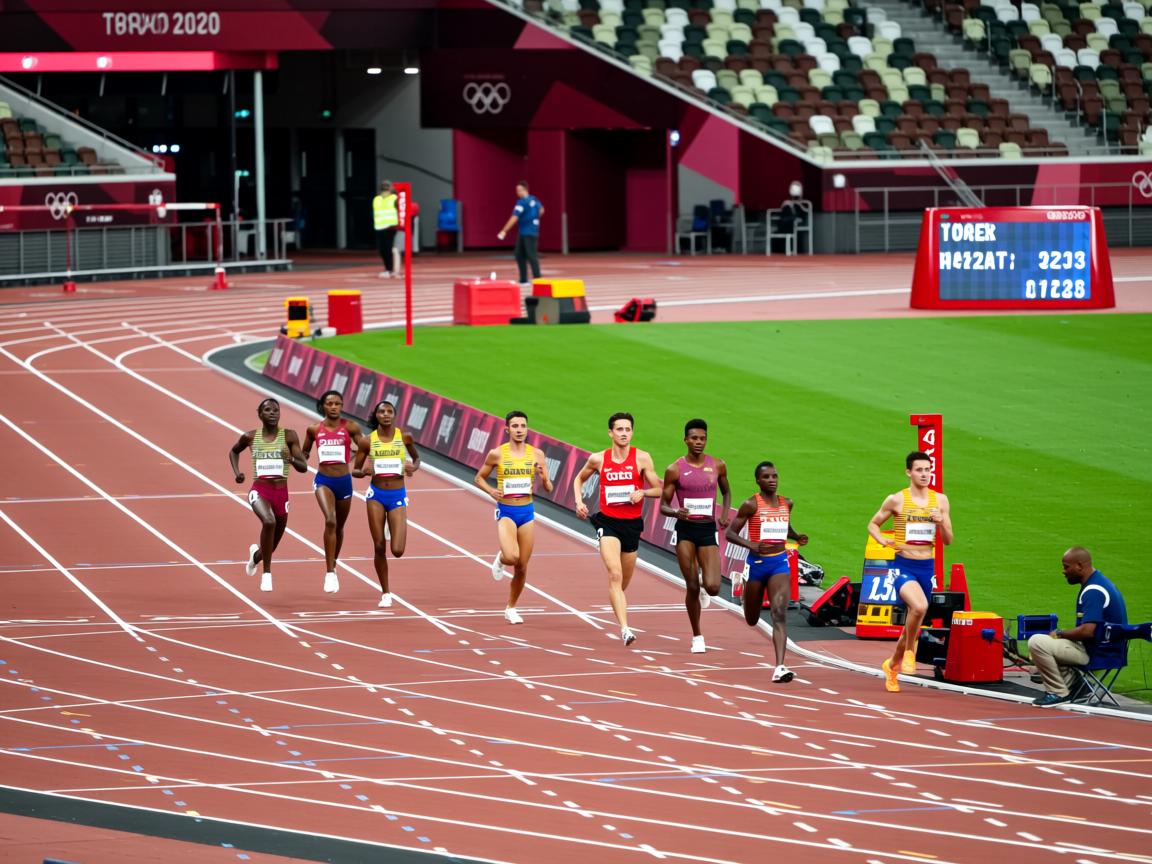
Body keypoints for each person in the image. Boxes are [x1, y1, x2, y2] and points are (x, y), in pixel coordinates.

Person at [572, 412, 662, 646]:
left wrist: (643, 492)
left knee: (621, 584)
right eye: (619, 429)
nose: (624, 433)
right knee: (615, 573)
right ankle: (625, 629)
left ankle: (616, 598)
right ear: (610, 433)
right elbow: (578, 479)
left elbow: (658, 489)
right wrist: (579, 502)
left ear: (632, 432)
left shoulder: (642, 458)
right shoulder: (598, 459)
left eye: (627, 429)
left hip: (632, 525)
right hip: (607, 522)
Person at [867, 451, 954, 693]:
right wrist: (882, 540)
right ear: (909, 472)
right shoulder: (896, 499)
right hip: (902, 566)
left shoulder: (941, 501)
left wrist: (941, 522)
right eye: (919, 470)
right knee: (919, 607)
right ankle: (909, 652)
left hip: (926, 567)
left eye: (928, 470)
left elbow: (948, 540)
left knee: (912, 623)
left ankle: (891, 666)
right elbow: (873, 524)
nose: (925, 474)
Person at [725, 462, 808, 682]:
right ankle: (744, 592)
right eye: (767, 477)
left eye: (774, 476)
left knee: (779, 613)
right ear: (758, 481)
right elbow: (730, 533)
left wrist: (796, 536)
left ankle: (780, 667)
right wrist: (749, 544)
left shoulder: (786, 503)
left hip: (779, 563)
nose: (772, 480)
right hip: (757, 565)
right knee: (752, 619)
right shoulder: (750, 504)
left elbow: (784, 526)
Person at [474, 411, 554, 625]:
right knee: (511, 557)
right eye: (515, 426)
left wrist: (544, 478)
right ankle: (501, 558)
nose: (519, 430)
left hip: (527, 512)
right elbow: (479, 478)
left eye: (523, 426)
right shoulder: (497, 454)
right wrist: (491, 491)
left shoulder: (537, 454)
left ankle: (511, 607)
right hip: (507, 511)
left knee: (522, 566)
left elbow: (549, 488)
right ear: (507, 429)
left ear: (527, 429)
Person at [659, 419, 731, 654]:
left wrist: (724, 514)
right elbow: (663, 505)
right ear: (686, 440)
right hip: (685, 531)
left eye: (702, 438)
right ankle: (697, 636)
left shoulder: (718, 465)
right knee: (690, 586)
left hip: (707, 529)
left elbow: (726, 491)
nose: (699, 442)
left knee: (713, 587)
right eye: (694, 438)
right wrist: (675, 512)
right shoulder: (675, 469)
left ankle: (703, 584)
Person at [1027, 547, 1129, 707]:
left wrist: (1059, 634)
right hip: (1107, 649)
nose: (1063, 571)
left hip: (1098, 654)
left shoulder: (1093, 591)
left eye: (1066, 567)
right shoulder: (1099, 583)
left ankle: (1057, 692)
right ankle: (1076, 686)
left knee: (1037, 642)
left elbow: (1087, 631)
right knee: (1049, 642)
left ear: (1079, 566)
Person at [228, 398, 307, 592]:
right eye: (268, 410)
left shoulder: (289, 436)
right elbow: (234, 451)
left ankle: (255, 557)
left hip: (281, 494)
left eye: (276, 410)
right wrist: (237, 473)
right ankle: (267, 574)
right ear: (260, 414)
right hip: (260, 490)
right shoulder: (250, 437)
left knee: (270, 547)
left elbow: (303, 467)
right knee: (269, 521)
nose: (272, 413)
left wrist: (290, 459)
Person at [352, 400, 420, 606]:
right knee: (379, 545)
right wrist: (364, 471)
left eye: (390, 411)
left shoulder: (404, 437)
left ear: (394, 415)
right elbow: (355, 470)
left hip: (397, 495)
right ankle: (386, 593)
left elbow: (417, 460)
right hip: (376, 495)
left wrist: (412, 467)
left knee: (398, 551)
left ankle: (391, 524)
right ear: (377, 415)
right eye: (382, 412)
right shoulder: (367, 441)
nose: (386, 415)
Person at [302, 390, 368, 594]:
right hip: (323, 481)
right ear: (323, 406)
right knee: (330, 520)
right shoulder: (314, 429)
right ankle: (329, 572)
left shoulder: (351, 427)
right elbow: (304, 453)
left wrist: (356, 459)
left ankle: (334, 563)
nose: (333, 407)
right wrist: (293, 457)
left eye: (337, 404)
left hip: (344, 482)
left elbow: (365, 447)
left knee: (339, 527)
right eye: (329, 403)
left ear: (342, 406)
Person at [497, 181, 544, 287]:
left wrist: (504, 230)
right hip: (527, 232)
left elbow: (514, 217)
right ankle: (524, 280)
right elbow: (542, 209)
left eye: (519, 190)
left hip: (527, 232)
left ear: (525, 190)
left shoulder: (521, 203)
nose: (517, 193)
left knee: (531, 255)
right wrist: (534, 219)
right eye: (517, 190)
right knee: (519, 254)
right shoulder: (534, 199)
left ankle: (538, 280)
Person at [372, 180, 400, 278]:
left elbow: (399, 206)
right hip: (379, 227)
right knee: (382, 250)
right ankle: (388, 269)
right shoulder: (377, 199)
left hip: (390, 227)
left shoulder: (394, 198)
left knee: (388, 249)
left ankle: (390, 269)